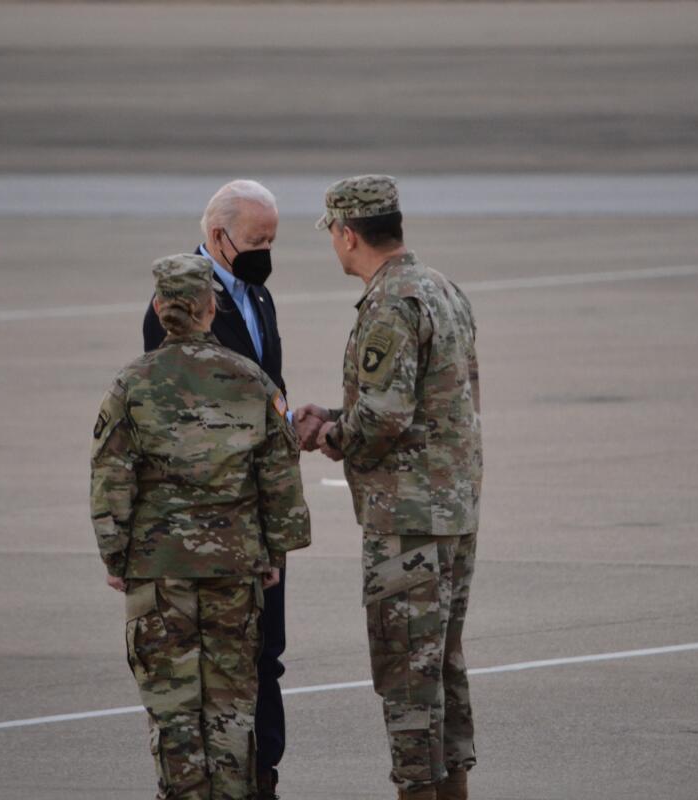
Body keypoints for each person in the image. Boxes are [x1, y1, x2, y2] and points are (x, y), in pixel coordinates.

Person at [94, 254, 311, 800]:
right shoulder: (251, 380)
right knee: (231, 709)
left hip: (157, 572)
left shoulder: (131, 383)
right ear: (211, 308)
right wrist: (275, 553)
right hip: (234, 569)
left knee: (173, 714)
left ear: (158, 308)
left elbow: (111, 477)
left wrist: (115, 555)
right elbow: (280, 477)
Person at [295, 176, 483, 800]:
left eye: (332, 234)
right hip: (451, 509)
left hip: (407, 520)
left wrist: (330, 434)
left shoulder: (389, 304)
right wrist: (338, 416)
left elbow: (383, 417)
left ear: (348, 234)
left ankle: (418, 790)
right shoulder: (441, 289)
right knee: (441, 665)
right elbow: (430, 403)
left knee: (407, 675)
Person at [141, 179, 293, 799]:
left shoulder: (257, 295)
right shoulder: (176, 305)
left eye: (272, 240)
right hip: (214, 523)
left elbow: (268, 387)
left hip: (260, 508)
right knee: (212, 663)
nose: (266, 252)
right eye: (256, 240)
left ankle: (263, 773)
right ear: (217, 235)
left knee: (267, 651)